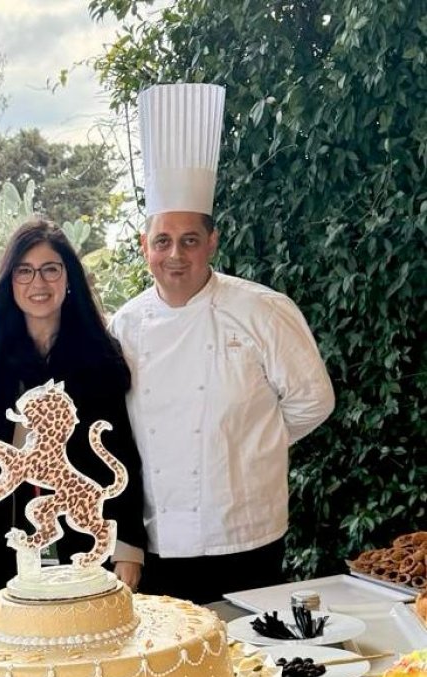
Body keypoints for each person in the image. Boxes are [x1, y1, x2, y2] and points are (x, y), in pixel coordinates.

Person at [110, 84, 335, 605]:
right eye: (163, 241)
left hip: (246, 532)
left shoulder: (262, 309)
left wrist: (245, 448)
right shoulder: (125, 324)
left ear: (212, 241)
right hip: (160, 540)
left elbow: (313, 400)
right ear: (145, 246)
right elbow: (119, 425)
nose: (176, 254)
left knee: (249, 649)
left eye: (190, 240)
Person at [0, 217, 146, 611]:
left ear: (68, 278)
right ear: (10, 282)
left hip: (81, 542)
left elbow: (122, 451)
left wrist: (128, 545)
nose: (38, 283)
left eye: (50, 269)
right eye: (24, 271)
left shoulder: (101, 355)